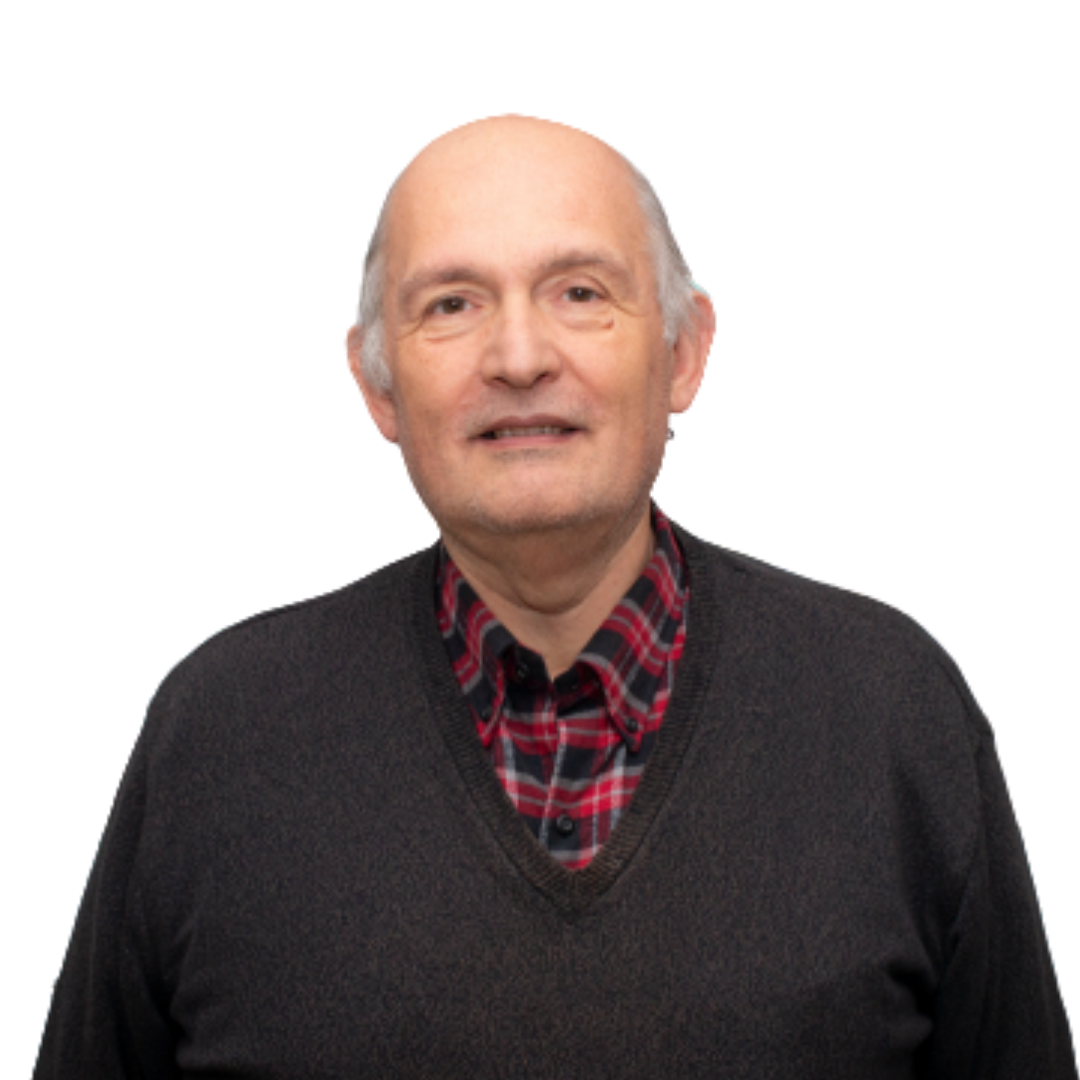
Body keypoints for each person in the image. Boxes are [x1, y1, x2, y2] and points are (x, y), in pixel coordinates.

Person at [33, 114, 1075, 1078]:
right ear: (377, 385)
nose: (520, 358)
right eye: (452, 304)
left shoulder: (894, 709)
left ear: (684, 352)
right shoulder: (217, 733)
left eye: (580, 292)